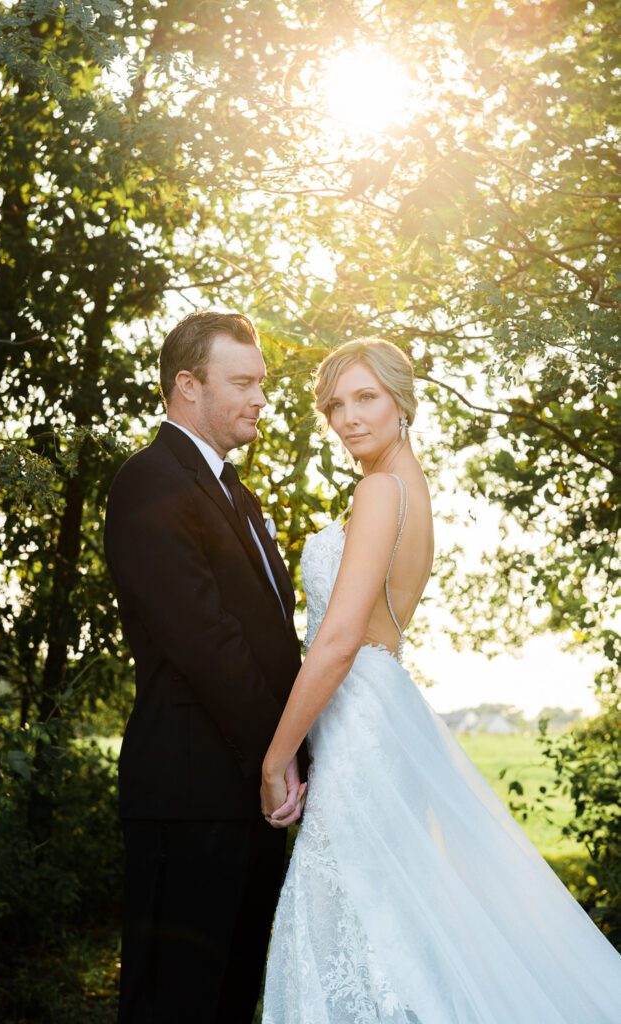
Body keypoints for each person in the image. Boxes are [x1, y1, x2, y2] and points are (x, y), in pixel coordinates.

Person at [260, 337, 621, 1023]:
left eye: (365, 397)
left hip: (358, 722)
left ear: (402, 400)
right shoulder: (410, 489)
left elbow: (336, 641)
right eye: (334, 405)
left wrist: (276, 759)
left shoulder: (377, 490)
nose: (346, 418)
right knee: (385, 921)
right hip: (378, 712)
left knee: (349, 918)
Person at [103, 310, 307, 1024]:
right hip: (187, 797)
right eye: (243, 382)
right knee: (172, 1004)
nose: (259, 398)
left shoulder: (235, 494)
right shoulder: (150, 481)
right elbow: (206, 643)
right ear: (187, 386)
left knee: (227, 1003)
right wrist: (278, 757)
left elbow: (272, 640)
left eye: (261, 383)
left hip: (248, 797)